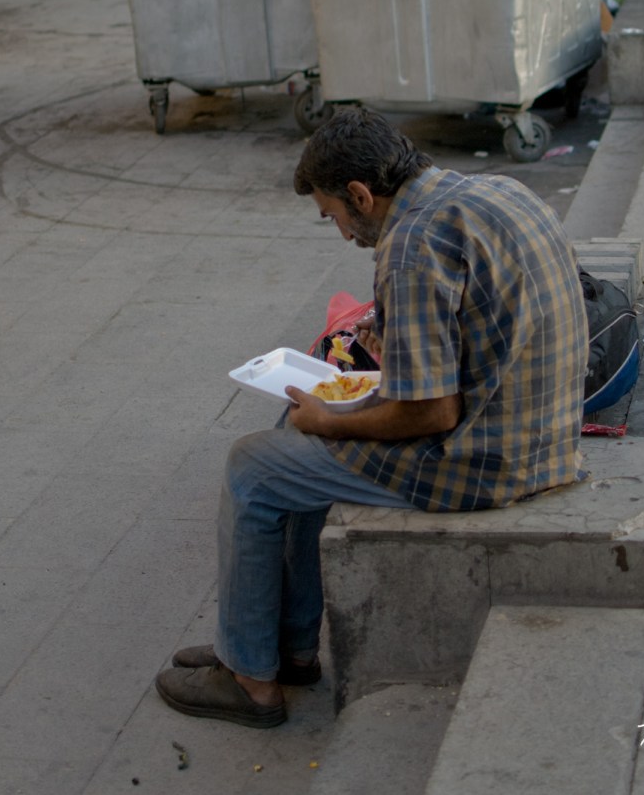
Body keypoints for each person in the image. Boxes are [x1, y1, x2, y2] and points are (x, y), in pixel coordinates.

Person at [155, 108, 588, 728]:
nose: (342, 234)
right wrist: (394, 343)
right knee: (289, 437)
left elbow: (432, 410)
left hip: (485, 462)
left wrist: (332, 423)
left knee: (252, 466)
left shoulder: (411, 245)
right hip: (543, 436)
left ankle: (249, 679)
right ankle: (287, 649)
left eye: (333, 215)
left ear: (361, 194)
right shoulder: (499, 191)